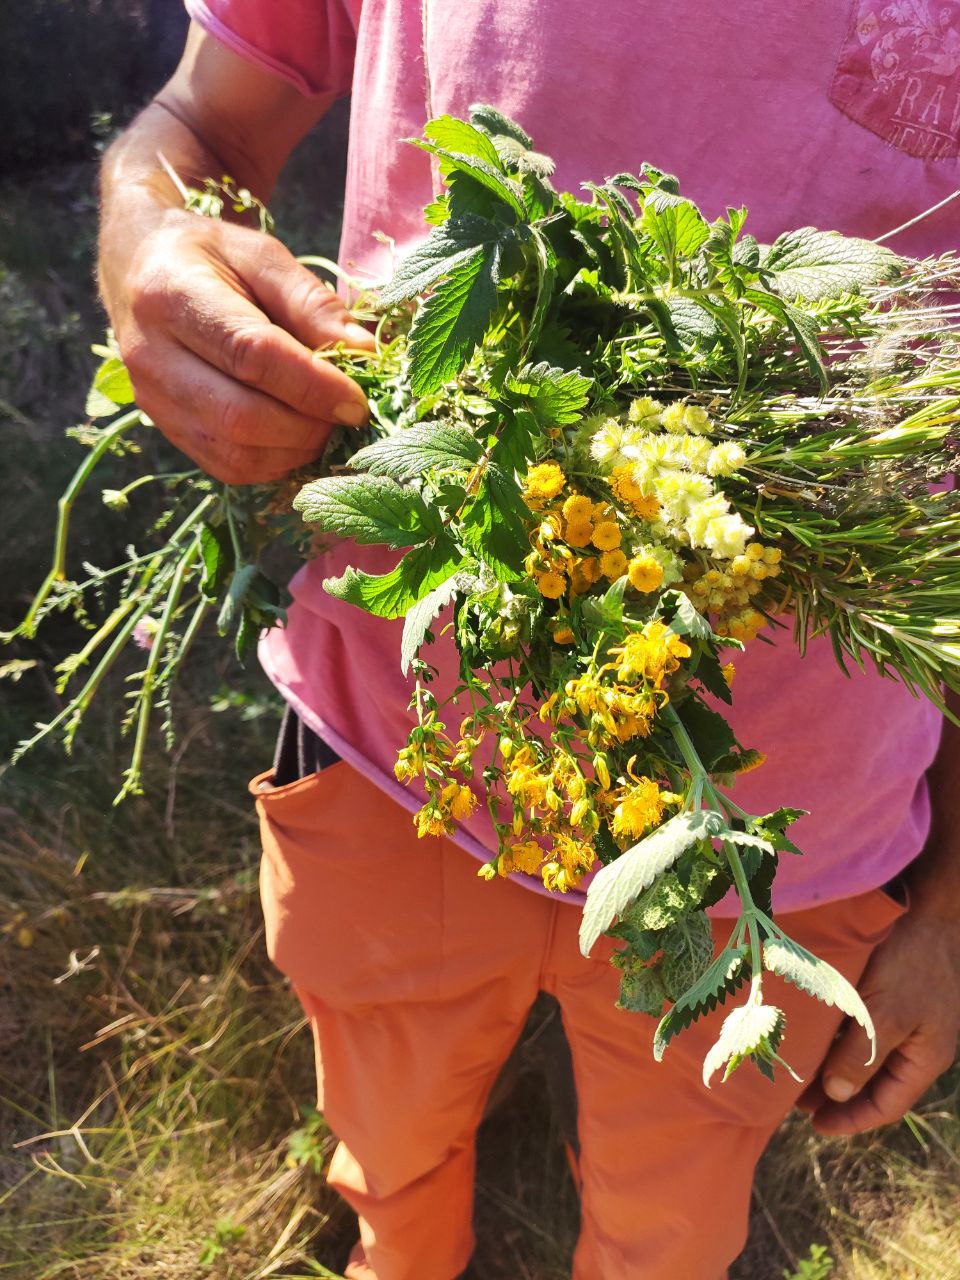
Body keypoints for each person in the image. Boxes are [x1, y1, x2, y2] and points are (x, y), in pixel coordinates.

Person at [97, 4, 960, 1276]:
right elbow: (202, 123)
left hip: (781, 848)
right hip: (399, 757)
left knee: (670, 1235)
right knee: (387, 1161)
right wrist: (148, 234)